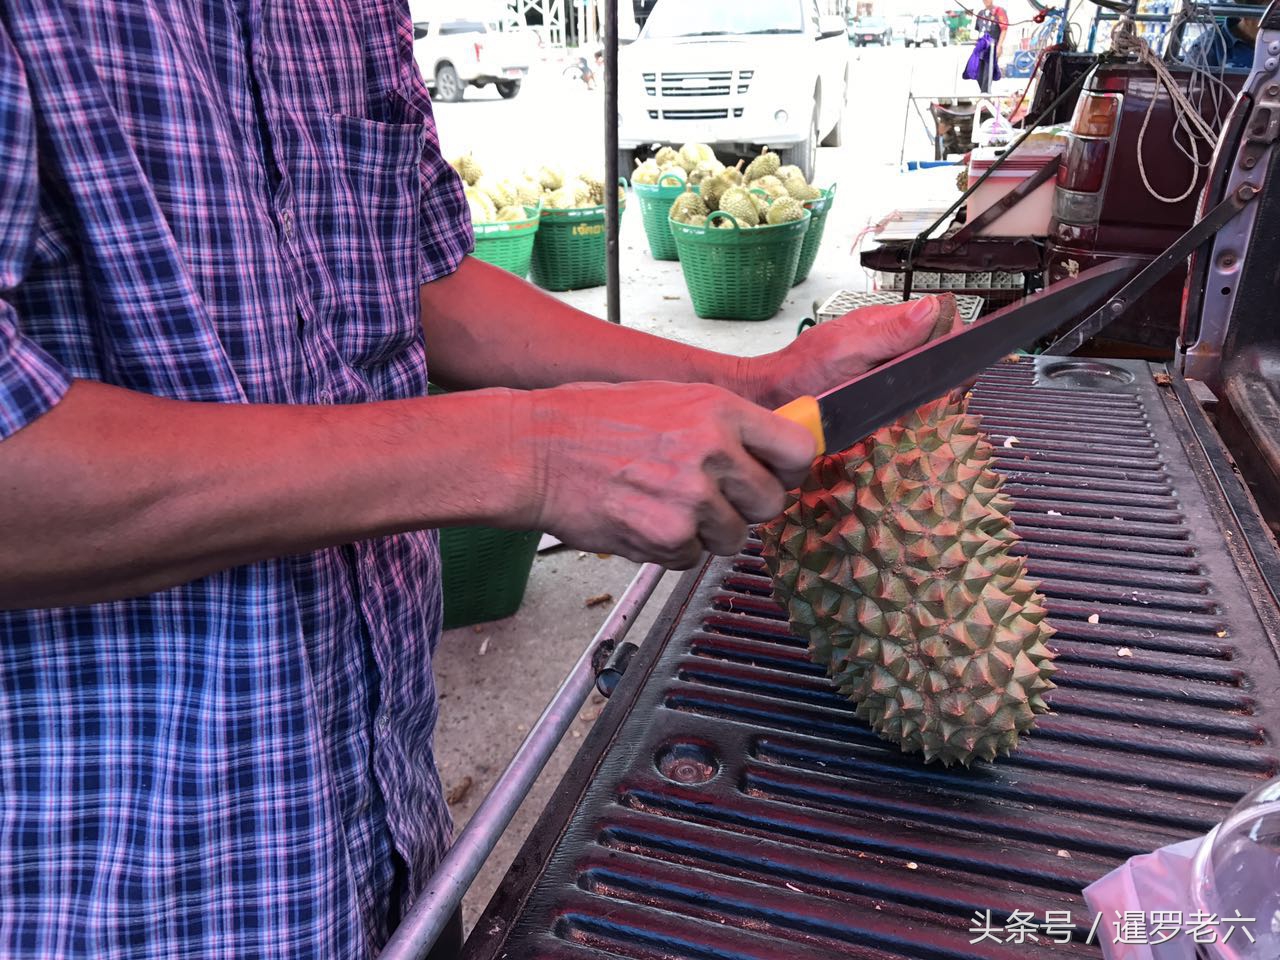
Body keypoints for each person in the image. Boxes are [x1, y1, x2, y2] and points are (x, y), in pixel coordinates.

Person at [0, 1, 944, 958]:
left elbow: (423, 278)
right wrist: (527, 451)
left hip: (386, 838)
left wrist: (751, 381)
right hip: (117, 885)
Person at [969, 0, 1009, 92]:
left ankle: (985, 95)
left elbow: (1004, 29)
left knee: (988, 73)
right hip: (981, 47)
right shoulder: (981, 13)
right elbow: (978, 30)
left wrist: (999, 46)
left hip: (992, 47)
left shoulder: (999, 11)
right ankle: (983, 93)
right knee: (979, 73)